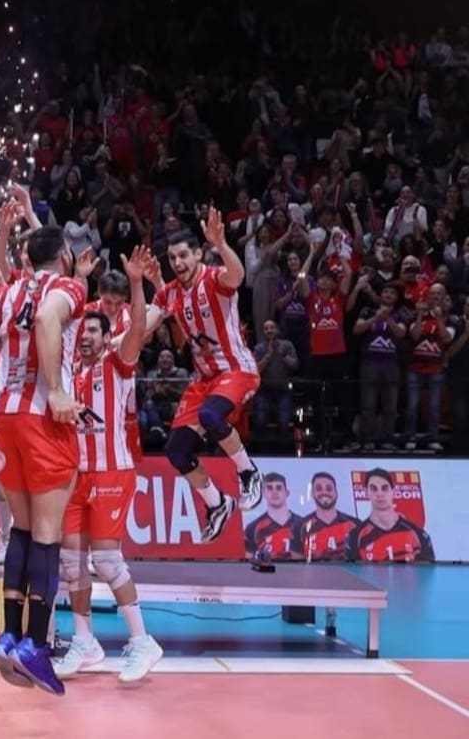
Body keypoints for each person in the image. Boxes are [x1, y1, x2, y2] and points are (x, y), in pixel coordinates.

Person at [0, 225, 85, 695]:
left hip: (2, 418)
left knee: (23, 530)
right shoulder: (68, 287)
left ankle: (9, 634)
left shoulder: (8, 291)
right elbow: (50, 320)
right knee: (48, 534)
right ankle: (36, 646)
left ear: (26, 257)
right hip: (42, 422)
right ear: (65, 255)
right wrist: (56, 390)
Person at [54, 246, 163, 683]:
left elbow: (138, 325)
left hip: (112, 471)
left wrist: (136, 281)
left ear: (107, 335)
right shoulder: (67, 372)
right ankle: (84, 641)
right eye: (82, 332)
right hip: (72, 475)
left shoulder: (119, 363)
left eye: (95, 332)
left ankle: (142, 641)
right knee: (70, 562)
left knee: (108, 561)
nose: (86, 337)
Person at [145, 209, 264, 542]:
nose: (178, 262)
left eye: (184, 255)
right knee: (177, 451)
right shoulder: (168, 292)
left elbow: (237, 276)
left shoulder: (213, 278)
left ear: (198, 254)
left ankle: (249, 473)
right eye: (172, 257)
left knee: (212, 416)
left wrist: (222, 244)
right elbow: (144, 326)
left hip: (236, 369)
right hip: (203, 380)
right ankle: (217, 504)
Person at [346, 468, 435, 563]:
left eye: (385, 488)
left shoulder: (419, 535)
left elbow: (428, 575)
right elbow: (353, 576)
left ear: (393, 491)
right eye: (373, 488)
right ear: (366, 492)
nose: (379, 494)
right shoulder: (354, 537)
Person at [243, 473, 305, 561]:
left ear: (287, 493)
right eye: (269, 488)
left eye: (278, 488)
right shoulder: (252, 528)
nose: (274, 492)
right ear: (263, 494)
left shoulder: (302, 525)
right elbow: (249, 564)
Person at [299, 472, 358, 562]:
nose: (324, 492)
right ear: (312, 494)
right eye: (319, 489)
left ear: (336, 493)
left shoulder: (355, 525)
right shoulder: (299, 526)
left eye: (329, 488)